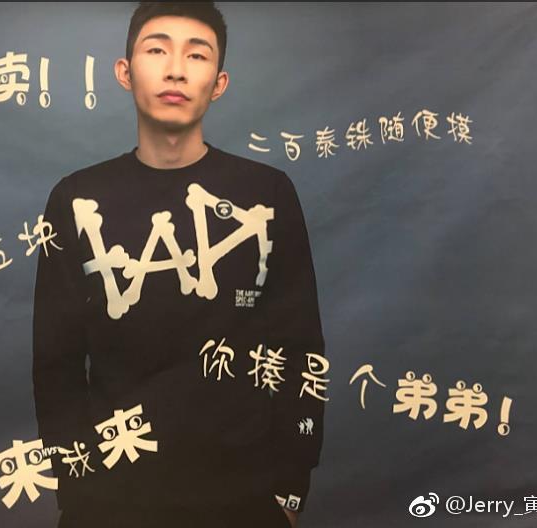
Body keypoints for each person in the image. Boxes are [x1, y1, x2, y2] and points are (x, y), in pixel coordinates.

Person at [32, 3, 326, 527]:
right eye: (157, 50)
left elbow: (300, 347)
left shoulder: (267, 195)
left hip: (244, 499)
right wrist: (76, 488)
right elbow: (55, 363)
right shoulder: (76, 198)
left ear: (219, 83)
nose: (175, 70)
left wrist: (290, 488)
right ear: (125, 72)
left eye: (197, 55)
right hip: (109, 500)